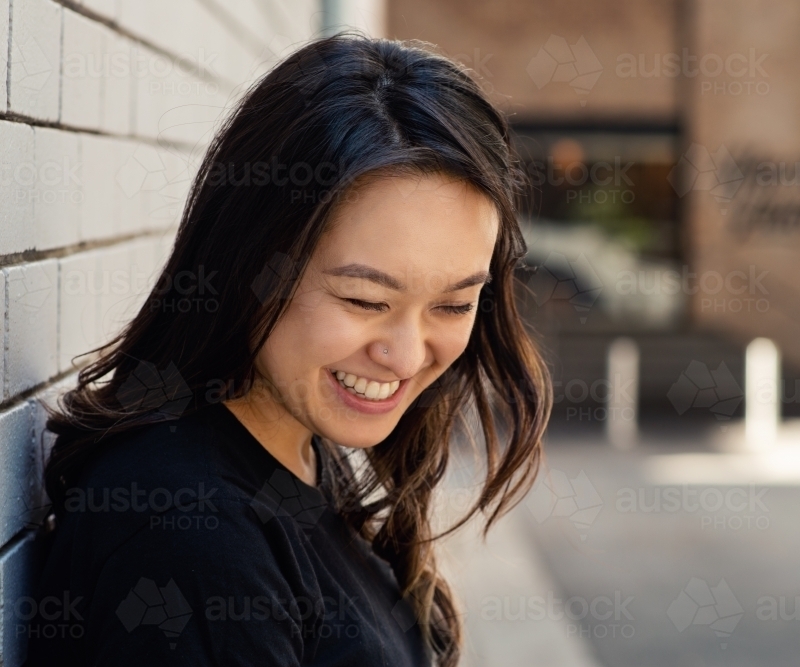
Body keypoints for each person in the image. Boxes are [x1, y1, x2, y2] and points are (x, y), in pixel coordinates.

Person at [28, 33, 552, 667]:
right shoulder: (190, 534)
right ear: (248, 265)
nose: (408, 356)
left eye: (453, 304)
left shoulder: (297, 449)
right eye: (364, 301)